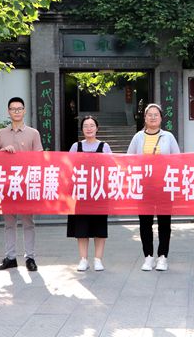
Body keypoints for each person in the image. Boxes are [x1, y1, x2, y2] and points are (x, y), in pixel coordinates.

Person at [0, 97, 43, 272]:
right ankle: (10, 257)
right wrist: (2, 152)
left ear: (24, 110)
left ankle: (30, 257)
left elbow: (39, 158)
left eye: (19, 108)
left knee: (28, 222)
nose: (16, 111)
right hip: (7, 184)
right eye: (13, 109)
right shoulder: (1, 133)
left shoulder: (33, 133)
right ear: (8, 112)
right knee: (9, 222)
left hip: (26, 183)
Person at [127, 103, 180, 271]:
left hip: (164, 186)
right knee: (145, 223)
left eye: (156, 114)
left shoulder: (168, 137)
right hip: (144, 187)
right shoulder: (138, 137)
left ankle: (163, 256)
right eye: (149, 114)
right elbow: (129, 159)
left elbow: (178, 160)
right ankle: (148, 257)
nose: (152, 117)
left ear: (161, 118)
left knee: (164, 223)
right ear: (144, 118)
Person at [68, 116, 112, 272]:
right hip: (81, 193)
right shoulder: (76, 146)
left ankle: (98, 259)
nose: (89, 128)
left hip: (99, 193)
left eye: (92, 125)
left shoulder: (104, 146)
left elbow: (111, 167)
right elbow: (68, 167)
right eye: (85, 126)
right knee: (81, 227)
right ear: (82, 129)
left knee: (100, 227)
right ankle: (83, 259)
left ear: (97, 128)